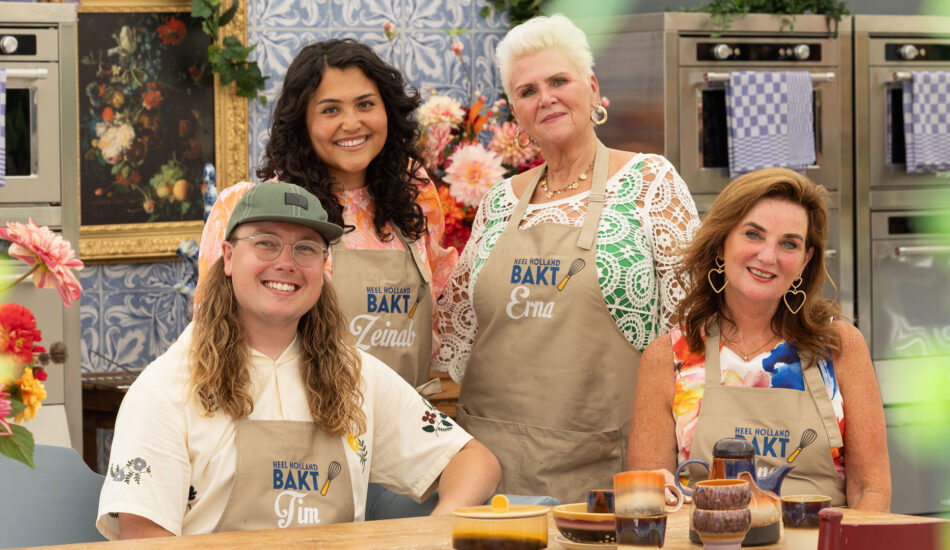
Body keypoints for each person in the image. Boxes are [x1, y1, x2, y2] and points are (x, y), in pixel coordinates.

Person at [96, 181, 500, 539]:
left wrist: (440, 524)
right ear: (229, 257)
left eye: (305, 248)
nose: (286, 262)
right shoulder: (165, 388)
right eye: (266, 243)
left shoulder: (355, 374)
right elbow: (144, 537)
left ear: (323, 268)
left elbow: (473, 460)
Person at [435, 14, 700, 504]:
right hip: (489, 469)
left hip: (603, 467)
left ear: (593, 89)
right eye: (527, 90)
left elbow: (692, 338)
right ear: (515, 110)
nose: (546, 97)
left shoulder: (649, 184)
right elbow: (457, 329)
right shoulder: (498, 202)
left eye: (559, 80)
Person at [197, 39, 456, 395]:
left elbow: (438, 312)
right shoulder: (248, 209)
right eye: (330, 110)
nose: (352, 123)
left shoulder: (416, 197)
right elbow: (212, 337)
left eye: (365, 104)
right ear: (302, 122)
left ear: (388, 112)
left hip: (403, 431)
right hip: (301, 430)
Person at [627, 168, 891, 511]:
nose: (768, 256)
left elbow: (871, 491)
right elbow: (649, 498)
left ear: (805, 261)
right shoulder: (669, 357)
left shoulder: (838, 347)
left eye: (789, 244)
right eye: (753, 235)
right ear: (722, 244)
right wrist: (652, 490)